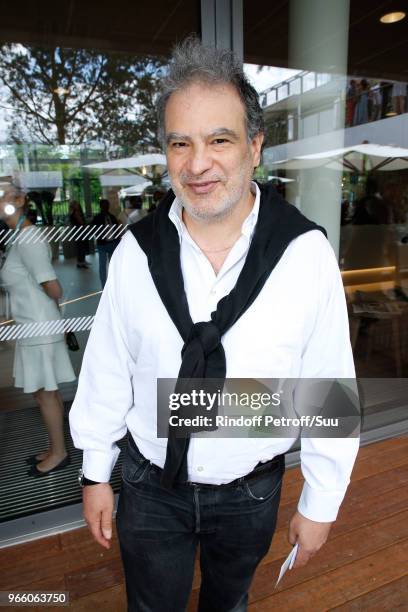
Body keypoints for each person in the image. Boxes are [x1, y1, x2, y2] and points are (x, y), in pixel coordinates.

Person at [69, 38, 360, 612]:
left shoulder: (304, 253)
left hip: (251, 490)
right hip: (150, 488)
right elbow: (108, 367)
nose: (197, 164)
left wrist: (321, 503)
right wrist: (95, 472)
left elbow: (328, 384)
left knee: (230, 604)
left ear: (255, 146)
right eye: (181, 143)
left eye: (219, 140)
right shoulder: (136, 249)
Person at [0, 180, 76, 476]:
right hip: (32, 327)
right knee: (46, 393)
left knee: (46, 394)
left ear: (19, 201)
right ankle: (56, 447)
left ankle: (58, 453)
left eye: (2, 195)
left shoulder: (28, 237)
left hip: (39, 328)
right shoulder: (18, 236)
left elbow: (53, 287)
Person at [91, 199, 121, 288]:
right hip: (102, 245)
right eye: (104, 205)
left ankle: (114, 284)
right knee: (102, 266)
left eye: (107, 205)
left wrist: (117, 241)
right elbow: (93, 230)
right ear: (100, 206)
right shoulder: (97, 218)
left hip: (113, 243)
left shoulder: (112, 217)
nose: (106, 207)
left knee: (113, 265)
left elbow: (117, 230)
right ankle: (104, 286)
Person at [69, 200, 90, 269]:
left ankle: (81, 262)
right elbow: (81, 222)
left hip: (77, 232)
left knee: (80, 247)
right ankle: (81, 263)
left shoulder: (72, 212)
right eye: (77, 205)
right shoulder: (76, 213)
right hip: (80, 232)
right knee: (81, 247)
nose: (78, 206)